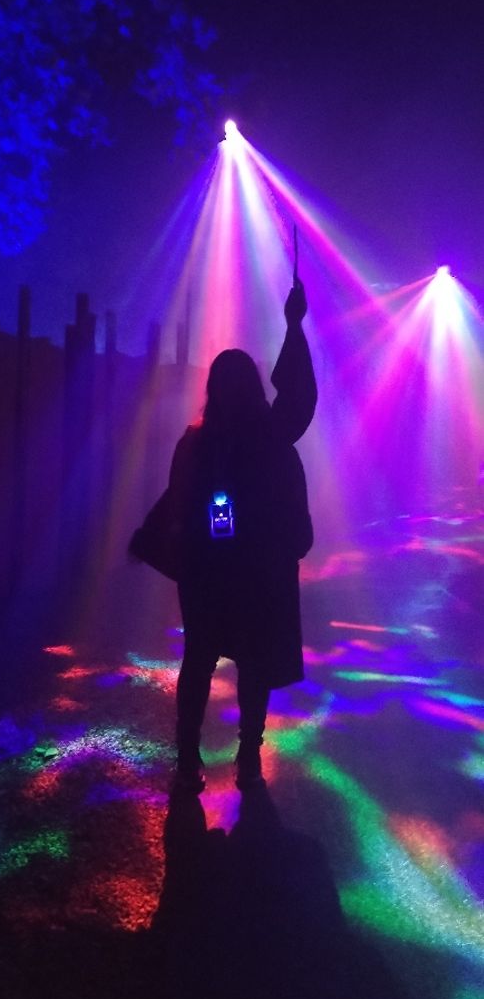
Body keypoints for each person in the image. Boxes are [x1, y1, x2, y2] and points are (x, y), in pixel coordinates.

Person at [165, 278, 317, 792]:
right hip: (252, 571)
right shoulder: (267, 436)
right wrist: (294, 325)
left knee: (202, 659)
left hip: (209, 572)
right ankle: (246, 756)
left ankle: (190, 759)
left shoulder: (198, 441)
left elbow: (179, 503)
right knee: (251, 661)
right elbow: (297, 401)